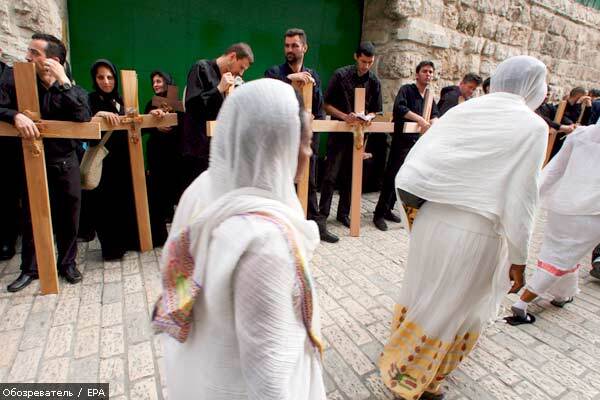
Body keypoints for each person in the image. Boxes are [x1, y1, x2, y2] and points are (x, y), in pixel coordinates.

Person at [378, 56, 548, 400]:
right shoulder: (532, 127)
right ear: (533, 87)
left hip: (431, 224)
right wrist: (518, 257)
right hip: (475, 235)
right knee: (455, 310)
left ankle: (406, 365)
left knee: (423, 297)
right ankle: (418, 381)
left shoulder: (462, 111)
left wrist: (415, 220)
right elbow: (522, 199)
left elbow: (412, 169)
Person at [152, 79, 325, 400]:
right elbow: (269, 378)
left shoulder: (205, 186)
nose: (309, 152)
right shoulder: (266, 245)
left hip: (210, 369)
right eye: (307, 141)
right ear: (279, 143)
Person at [1, 33, 92, 292]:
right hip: (31, 162)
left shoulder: (69, 88)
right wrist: (15, 115)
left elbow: (82, 115)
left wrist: (63, 81)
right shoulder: (14, 79)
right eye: (28, 51)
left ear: (52, 61)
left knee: (69, 217)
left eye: (34, 53)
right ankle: (30, 268)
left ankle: (67, 264)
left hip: (64, 163)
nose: (27, 57)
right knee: (33, 217)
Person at [507, 122, 600, 323]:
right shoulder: (580, 135)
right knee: (561, 257)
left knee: (562, 253)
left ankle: (563, 295)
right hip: (593, 212)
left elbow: (556, 169)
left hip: (562, 205)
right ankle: (523, 301)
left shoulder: (580, 135)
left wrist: (535, 195)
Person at [316, 42, 382, 242]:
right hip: (339, 134)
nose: (366, 66)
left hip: (359, 135)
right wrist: (345, 116)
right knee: (330, 176)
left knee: (351, 177)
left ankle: (343, 214)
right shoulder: (340, 75)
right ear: (356, 57)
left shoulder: (374, 81)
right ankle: (322, 218)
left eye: (370, 63)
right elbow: (326, 105)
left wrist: (368, 116)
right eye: (363, 62)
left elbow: (376, 110)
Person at [264, 28, 325, 230]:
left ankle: (316, 225)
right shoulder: (274, 72)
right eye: (287, 45)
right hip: (281, 140)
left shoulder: (314, 75)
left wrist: (313, 120)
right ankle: (280, 225)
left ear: (304, 48)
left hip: (305, 140)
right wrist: (292, 79)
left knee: (310, 182)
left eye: (294, 45)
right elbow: (271, 97)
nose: (289, 49)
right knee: (281, 182)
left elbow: (319, 109)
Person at [373, 60, 439, 231]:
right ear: (417, 74)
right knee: (392, 177)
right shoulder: (407, 90)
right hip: (401, 142)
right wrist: (420, 119)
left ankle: (389, 209)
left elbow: (435, 114)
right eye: (425, 71)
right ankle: (378, 214)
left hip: (418, 143)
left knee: (407, 178)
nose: (428, 74)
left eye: (431, 72)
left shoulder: (430, 96)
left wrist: (432, 122)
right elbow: (400, 108)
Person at [85, 59, 140, 260]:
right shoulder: (89, 100)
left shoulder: (121, 101)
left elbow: (135, 127)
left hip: (123, 162)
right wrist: (98, 115)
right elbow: (82, 124)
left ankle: (128, 242)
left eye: (110, 77)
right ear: (94, 79)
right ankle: (112, 249)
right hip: (104, 163)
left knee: (125, 202)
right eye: (101, 77)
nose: (106, 81)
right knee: (106, 207)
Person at [181, 43, 254, 189]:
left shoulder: (232, 82)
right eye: (241, 68)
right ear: (232, 56)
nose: (241, 74)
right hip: (197, 150)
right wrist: (219, 89)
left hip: (218, 151)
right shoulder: (201, 68)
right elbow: (192, 106)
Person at [142, 70, 182, 246]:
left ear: (167, 82)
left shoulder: (177, 102)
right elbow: (143, 129)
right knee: (157, 196)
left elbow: (183, 125)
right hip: (157, 155)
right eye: (154, 82)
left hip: (175, 156)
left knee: (178, 195)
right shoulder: (151, 103)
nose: (156, 84)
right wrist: (154, 125)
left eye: (159, 81)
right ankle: (159, 237)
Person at [0, 49, 22, 261]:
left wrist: (13, 115)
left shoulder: (13, 76)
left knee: (9, 195)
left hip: (11, 148)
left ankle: (9, 239)